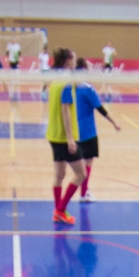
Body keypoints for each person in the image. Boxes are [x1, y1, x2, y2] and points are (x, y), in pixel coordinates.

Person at [45, 47, 86, 225]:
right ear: (68, 60)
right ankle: (60, 210)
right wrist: (70, 138)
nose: (75, 62)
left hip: (52, 134)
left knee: (59, 174)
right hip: (63, 137)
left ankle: (57, 212)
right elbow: (65, 111)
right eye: (74, 59)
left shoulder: (54, 81)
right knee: (81, 174)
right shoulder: (67, 82)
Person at [72, 56, 121, 201]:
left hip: (75, 131)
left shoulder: (72, 87)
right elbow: (100, 108)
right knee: (87, 164)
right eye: (88, 67)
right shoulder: (87, 88)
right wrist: (114, 122)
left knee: (79, 166)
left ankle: (82, 192)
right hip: (88, 132)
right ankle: (83, 192)